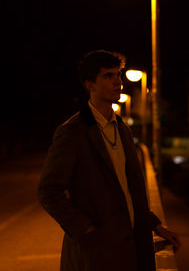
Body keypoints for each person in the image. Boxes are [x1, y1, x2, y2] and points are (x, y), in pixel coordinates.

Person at [38, 50, 180, 271]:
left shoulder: (121, 127)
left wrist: (155, 225)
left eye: (118, 75)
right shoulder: (72, 132)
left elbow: (126, 189)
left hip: (130, 249)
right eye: (108, 76)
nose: (118, 81)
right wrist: (85, 229)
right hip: (95, 254)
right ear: (89, 85)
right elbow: (48, 191)